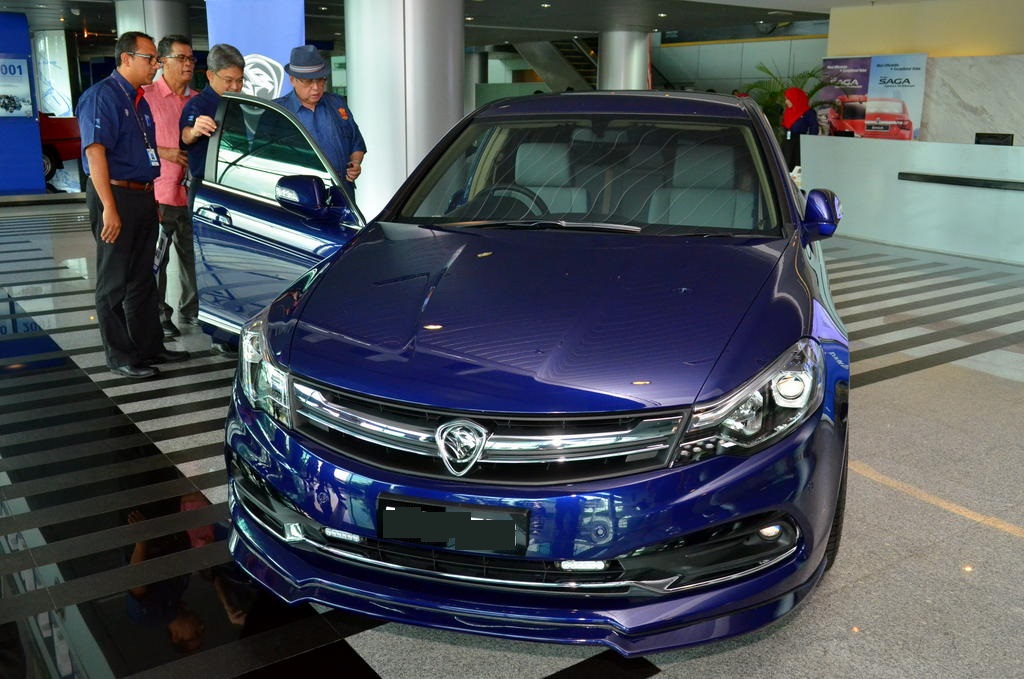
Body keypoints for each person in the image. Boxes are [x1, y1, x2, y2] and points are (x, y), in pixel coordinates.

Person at [76, 31, 189, 379]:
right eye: (149, 58)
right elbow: (95, 154)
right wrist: (109, 208)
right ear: (126, 58)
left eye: (157, 59)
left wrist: (150, 199)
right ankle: (120, 355)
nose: (155, 64)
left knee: (143, 277)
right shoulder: (102, 97)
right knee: (114, 280)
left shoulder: (139, 99)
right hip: (115, 195)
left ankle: (149, 347)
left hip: (142, 195)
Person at [143, 34, 198, 340]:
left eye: (191, 58)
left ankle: (192, 310)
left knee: (193, 259)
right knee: (157, 261)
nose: (188, 64)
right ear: (163, 62)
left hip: (192, 196)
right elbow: (133, 142)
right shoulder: (146, 97)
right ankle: (160, 315)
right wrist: (166, 152)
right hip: (159, 194)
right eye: (182, 58)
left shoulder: (198, 101)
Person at [274, 45, 366, 187]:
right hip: (300, 193)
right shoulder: (278, 112)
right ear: (292, 80)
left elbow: (356, 142)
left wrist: (355, 162)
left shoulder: (337, 104)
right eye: (308, 81)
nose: (316, 87)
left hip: (342, 190)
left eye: (320, 79)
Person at [179, 43, 245, 208]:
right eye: (228, 80)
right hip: (207, 190)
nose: (235, 87)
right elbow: (185, 137)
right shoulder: (197, 105)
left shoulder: (237, 104)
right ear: (210, 75)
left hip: (236, 185)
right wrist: (195, 131)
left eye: (240, 80)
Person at [780, 87, 818, 171]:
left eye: (788, 99)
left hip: (800, 141)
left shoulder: (808, 112)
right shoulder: (788, 111)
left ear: (795, 98)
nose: (786, 102)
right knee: (785, 160)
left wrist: (810, 141)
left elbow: (814, 127)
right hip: (788, 140)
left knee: (797, 162)